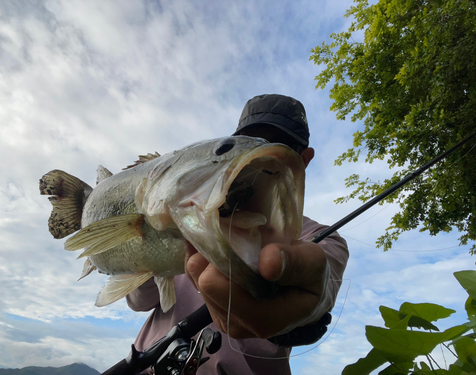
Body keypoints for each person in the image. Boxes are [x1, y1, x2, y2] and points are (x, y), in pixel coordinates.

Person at [126, 94, 349, 374]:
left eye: (279, 145)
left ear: (304, 159)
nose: (261, 154)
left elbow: (321, 287)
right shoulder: (186, 208)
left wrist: (304, 319)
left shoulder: (325, 237)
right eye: (250, 141)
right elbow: (139, 301)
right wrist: (147, 246)